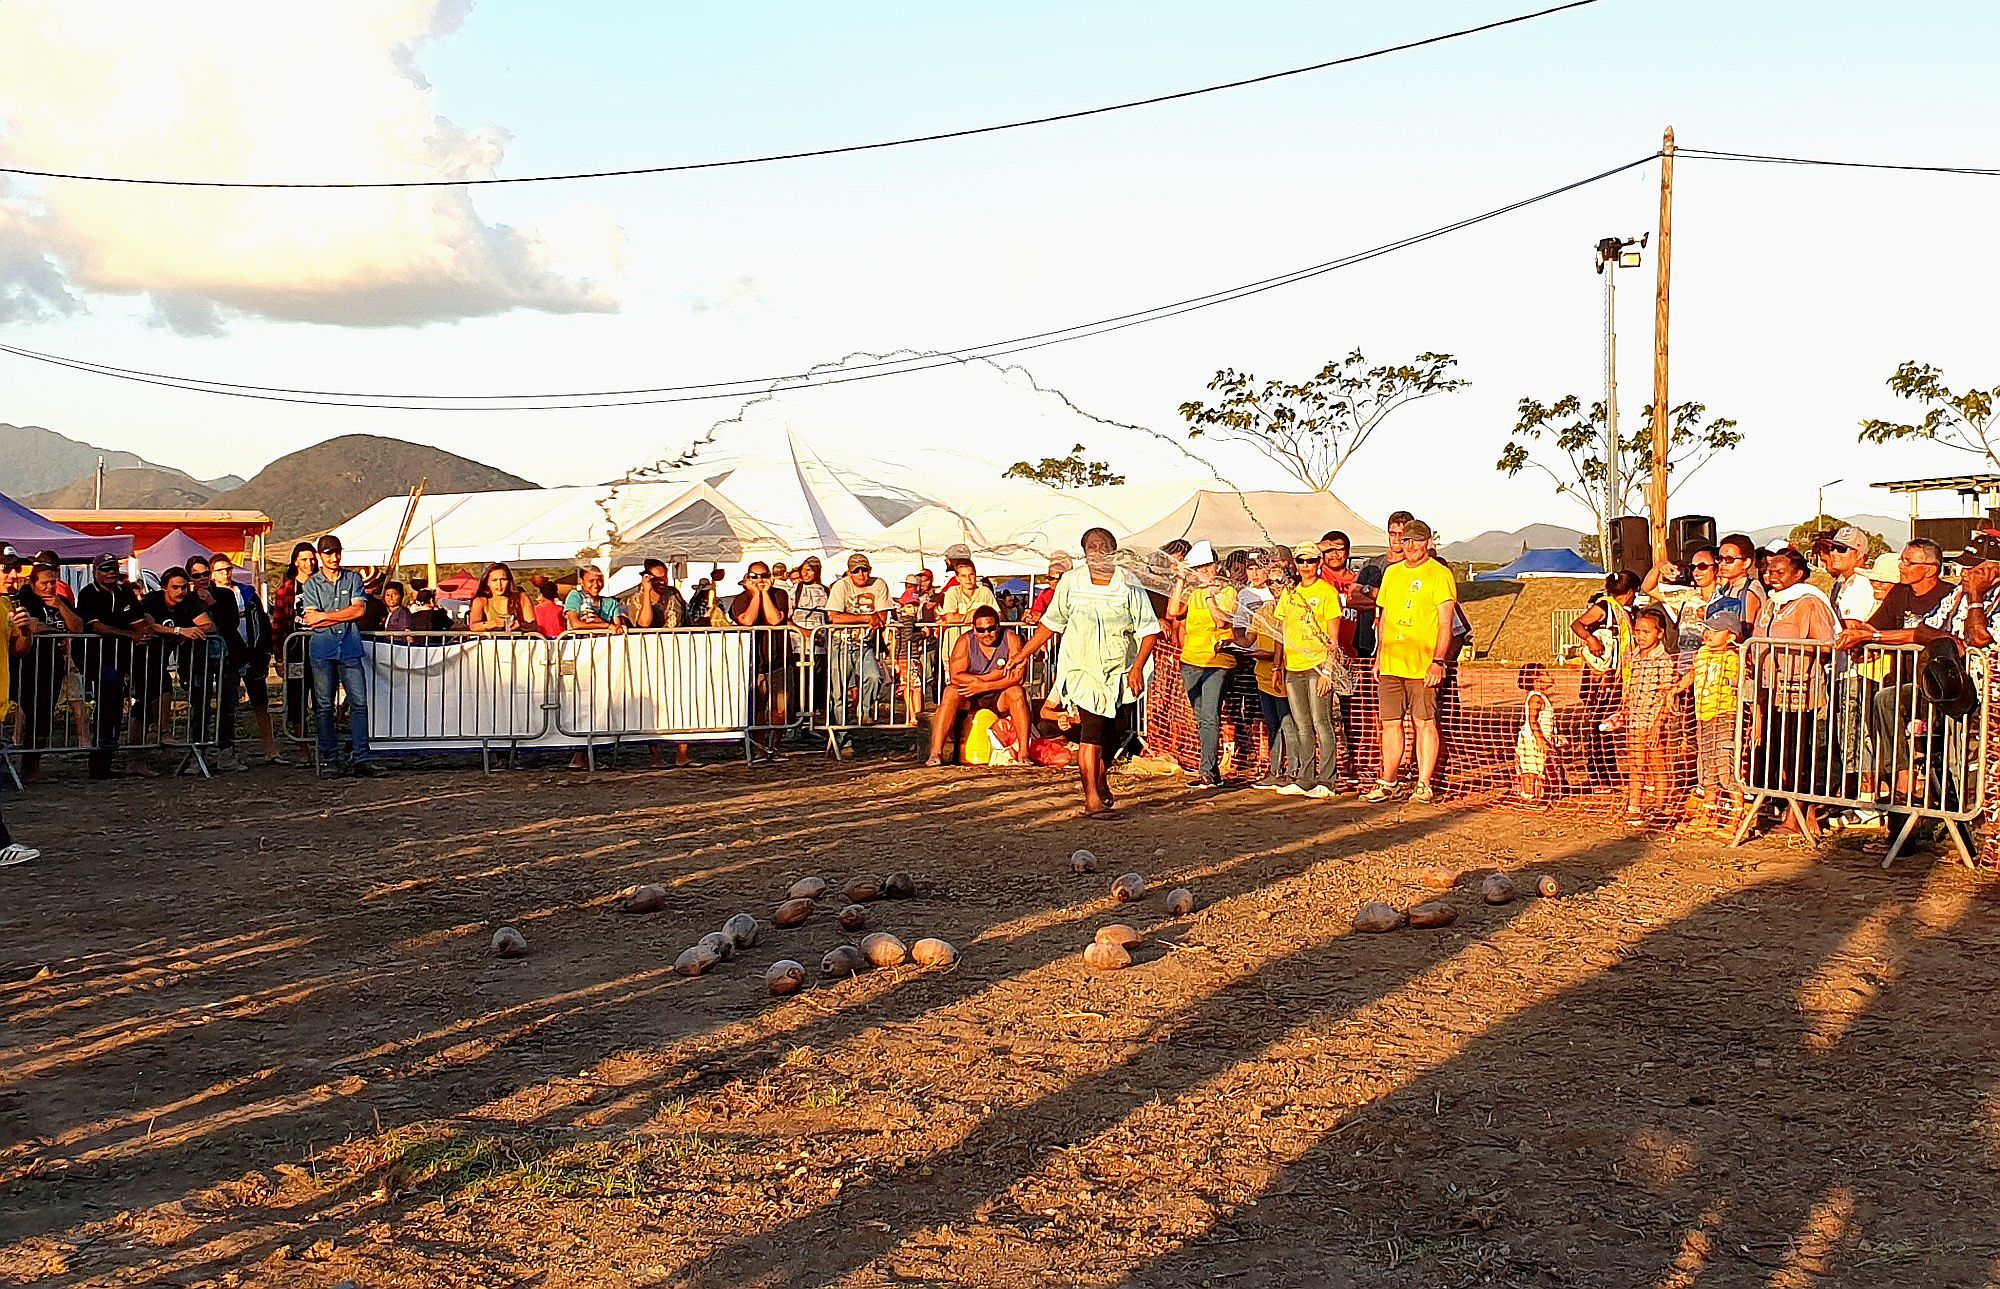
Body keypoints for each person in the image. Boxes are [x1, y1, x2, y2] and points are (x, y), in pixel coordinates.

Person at [1010, 527, 1159, 819]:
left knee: (1113, 736)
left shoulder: (1128, 584)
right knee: (1091, 731)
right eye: (1092, 546)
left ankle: (1100, 780)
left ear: (1114, 551)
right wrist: (1023, 653)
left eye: (1104, 546)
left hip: (1121, 671)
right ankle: (1091, 798)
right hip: (1082, 668)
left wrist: (1138, 668)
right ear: (1085, 552)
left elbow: (1148, 630)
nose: (1098, 551)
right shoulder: (1071, 582)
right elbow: (1051, 623)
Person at [1364, 518, 1456, 804]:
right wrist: (1379, 655)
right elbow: (1385, 617)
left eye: (1417, 540)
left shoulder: (1439, 574)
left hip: (1423, 664)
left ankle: (1424, 784)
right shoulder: (1391, 573)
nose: (1411, 546)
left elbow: (1445, 623)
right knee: (1390, 723)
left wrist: (1437, 661)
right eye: (1406, 540)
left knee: (1424, 722)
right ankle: (1388, 780)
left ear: (1428, 542)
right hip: (1392, 662)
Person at [1750, 546, 1839, 839]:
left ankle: (1805, 814)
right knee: (1779, 751)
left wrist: (1799, 658)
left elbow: (1826, 644)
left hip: (1799, 689)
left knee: (1800, 752)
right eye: (1769, 571)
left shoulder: (1810, 603)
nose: (1771, 576)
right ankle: (1789, 809)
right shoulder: (1771, 603)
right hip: (1770, 688)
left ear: (1798, 574)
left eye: (1779, 572)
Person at [298, 534, 376, 777]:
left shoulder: (353, 578)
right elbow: (311, 619)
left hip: (349, 646)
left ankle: (361, 757)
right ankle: (330, 759)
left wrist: (325, 617)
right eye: (328, 553)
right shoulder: (311, 584)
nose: (334, 557)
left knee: (359, 704)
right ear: (321, 556)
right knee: (323, 706)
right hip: (323, 649)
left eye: (336, 552)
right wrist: (343, 614)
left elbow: (359, 610)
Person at [1272, 540, 1345, 798]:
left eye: (1311, 561)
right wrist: (1277, 666)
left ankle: (1328, 780)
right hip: (1293, 667)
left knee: (1321, 722)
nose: (1306, 566)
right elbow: (1281, 632)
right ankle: (1305, 778)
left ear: (1318, 563)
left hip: (1317, 666)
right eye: (1301, 561)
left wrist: (1328, 670)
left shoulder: (1326, 593)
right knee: (1302, 725)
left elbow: (1334, 638)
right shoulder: (1290, 595)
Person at [1165, 540, 1238, 790]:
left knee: (1209, 715)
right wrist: (1181, 580)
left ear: (1216, 566)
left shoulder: (1228, 592)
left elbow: (1221, 621)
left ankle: (1206, 770)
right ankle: (1212, 770)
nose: (1204, 571)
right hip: (1191, 660)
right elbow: (1174, 611)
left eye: (1207, 566)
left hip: (1217, 662)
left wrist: (1209, 595)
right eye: (1200, 567)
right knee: (1200, 716)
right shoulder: (1193, 592)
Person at [926, 605, 1032, 766]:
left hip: (999, 694)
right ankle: (935, 753)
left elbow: (1018, 677)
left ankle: (1024, 752)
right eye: (981, 630)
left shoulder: (1011, 639)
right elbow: (956, 676)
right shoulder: (965, 641)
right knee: (950, 692)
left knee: (1017, 692)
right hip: (972, 694)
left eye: (990, 629)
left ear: (998, 626)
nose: (986, 634)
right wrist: (988, 679)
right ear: (974, 629)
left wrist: (983, 685)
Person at [205, 553, 284, 768]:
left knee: (260, 700)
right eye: (220, 570)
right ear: (213, 573)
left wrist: (265, 650)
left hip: (252, 649)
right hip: (228, 653)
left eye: (228, 568)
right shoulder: (210, 595)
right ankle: (226, 751)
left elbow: (262, 622)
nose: (226, 573)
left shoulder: (247, 592)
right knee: (227, 702)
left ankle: (270, 748)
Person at [78, 553, 153, 779]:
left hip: (122, 658)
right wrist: (130, 636)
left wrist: (141, 635)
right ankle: (99, 760)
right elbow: (97, 627)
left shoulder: (124, 591)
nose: (111, 573)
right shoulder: (88, 593)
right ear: (95, 571)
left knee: (118, 703)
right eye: (106, 569)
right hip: (96, 658)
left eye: (113, 569)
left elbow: (138, 621)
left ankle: (108, 758)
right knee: (108, 694)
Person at [137, 566, 217, 767]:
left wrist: (190, 631)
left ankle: (158, 736)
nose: (180, 591)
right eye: (175, 587)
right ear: (164, 588)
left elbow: (209, 626)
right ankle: (140, 752)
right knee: (143, 705)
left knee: (159, 691)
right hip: (140, 657)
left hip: (162, 659)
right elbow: (148, 625)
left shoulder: (188, 601)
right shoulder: (152, 600)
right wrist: (180, 631)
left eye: (183, 587)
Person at [1672, 609, 1745, 826]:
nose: (1708, 635)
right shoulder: (1702, 653)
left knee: (1725, 763)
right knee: (1706, 763)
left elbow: (1741, 686)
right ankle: (1709, 812)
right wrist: (1675, 689)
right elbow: (1692, 675)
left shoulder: (1733, 658)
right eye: (1707, 630)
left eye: (1715, 631)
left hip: (1724, 715)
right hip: (1703, 716)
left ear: (1730, 636)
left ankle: (1738, 814)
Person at [1569, 571, 1641, 788]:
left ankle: (1610, 770)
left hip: (1617, 676)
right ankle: (1598, 776)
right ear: (1630, 592)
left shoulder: (1631, 612)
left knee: (1609, 725)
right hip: (1598, 678)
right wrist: (1591, 640)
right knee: (1598, 726)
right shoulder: (1604, 607)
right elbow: (1577, 625)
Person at [1233, 550, 1295, 790]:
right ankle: (1275, 770)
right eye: (1271, 582)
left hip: (1283, 674)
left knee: (1288, 724)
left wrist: (1274, 661)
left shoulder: (1291, 610)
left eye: (1279, 582)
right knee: (1273, 725)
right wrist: (1227, 643)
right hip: (1263, 675)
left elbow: (1286, 647)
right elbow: (1248, 640)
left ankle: (1294, 771)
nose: (1274, 587)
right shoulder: (1263, 611)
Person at [826, 553, 894, 754]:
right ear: (849, 572)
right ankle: (843, 739)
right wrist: (866, 618)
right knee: (838, 694)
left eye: (864, 569)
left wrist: (870, 619)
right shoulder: (841, 587)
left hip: (865, 643)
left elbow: (882, 616)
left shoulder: (879, 584)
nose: (861, 574)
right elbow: (835, 618)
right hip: (840, 643)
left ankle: (863, 710)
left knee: (874, 677)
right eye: (856, 570)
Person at [1621, 606, 1678, 825]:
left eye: (1646, 632)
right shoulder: (1634, 657)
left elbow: (1667, 696)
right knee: (1635, 765)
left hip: (1654, 721)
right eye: (1638, 631)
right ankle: (1634, 805)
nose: (1640, 636)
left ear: (1660, 633)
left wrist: (1658, 724)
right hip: (1635, 720)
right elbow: (1631, 689)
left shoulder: (1663, 661)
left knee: (1657, 765)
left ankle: (1660, 806)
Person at [729, 561, 791, 757]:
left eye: (763, 575)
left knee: (781, 711)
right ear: (747, 578)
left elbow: (774, 619)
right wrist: (756, 595)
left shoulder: (780, 595)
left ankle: (774, 747)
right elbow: (747, 620)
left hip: (779, 660)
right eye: (754, 576)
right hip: (753, 661)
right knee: (757, 710)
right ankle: (759, 748)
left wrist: (764, 593)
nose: (759, 580)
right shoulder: (740, 599)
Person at [0, 593, 37, 865]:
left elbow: (18, 649)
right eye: (5, 568)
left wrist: (26, 631)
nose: (12, 574)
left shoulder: (5, 605)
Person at [1351, 510, 1413, 659]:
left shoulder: (1413, 567)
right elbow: (1352, 598)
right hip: (1367, 642)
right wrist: (1382, 600)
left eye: (1401, 534)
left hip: (1400, 643)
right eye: (1393, 533)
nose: (1397, 539)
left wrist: (1369, 592)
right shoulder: (1371, 564)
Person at [1514, 662, 1563, 807]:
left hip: (1540, 739)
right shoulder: (1536, 698)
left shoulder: (1542, 697)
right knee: (1530, 769)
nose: (1550, 676)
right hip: (1532, 740)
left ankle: (1535, 794)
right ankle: (1528, 795)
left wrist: (1554, 737)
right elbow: (1533, 721)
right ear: (1536, 681)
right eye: (1546, 674)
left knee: (1538, 767)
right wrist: (1540, 739)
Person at [1713, 534, 1767, 627]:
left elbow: (1745, 629)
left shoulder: (1749, 590)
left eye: (1729, 559)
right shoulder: (1725, 589)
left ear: (1746, 563)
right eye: (1720, 559)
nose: (1722, 564)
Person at [468, 563, 533, 633]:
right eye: (494, 580)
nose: (499, 584)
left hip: (519, 642)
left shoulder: (521, 598)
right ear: (487, 582)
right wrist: (492, 624)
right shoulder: (481, 601)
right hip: (491, 642)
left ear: (509, 581)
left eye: (503, 579)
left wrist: (520, 625)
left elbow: (532, 624)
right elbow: (473, 626)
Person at [563, 566, 629, 634]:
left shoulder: (612, 603)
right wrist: (607, 625)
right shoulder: (575, 596)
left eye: (599, 580)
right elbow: (575, 624)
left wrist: (600, 622)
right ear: (582, 582)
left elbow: (617, 627)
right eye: (591, 581)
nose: (596, 585)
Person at [630, 559, 687, 630]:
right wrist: (647, 591)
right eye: (657, 579)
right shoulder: (638, 598)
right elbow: (644, 624)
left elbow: (686, 616)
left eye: (664, 578)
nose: (662, 582)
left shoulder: (673, 592)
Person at [1025, 552, 1072, 626]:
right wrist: (1029, 616)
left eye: (1051, 578)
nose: (1048, 581)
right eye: (1047, 577)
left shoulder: (1076, 593)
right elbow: (1035, 612)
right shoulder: (1045, 594)